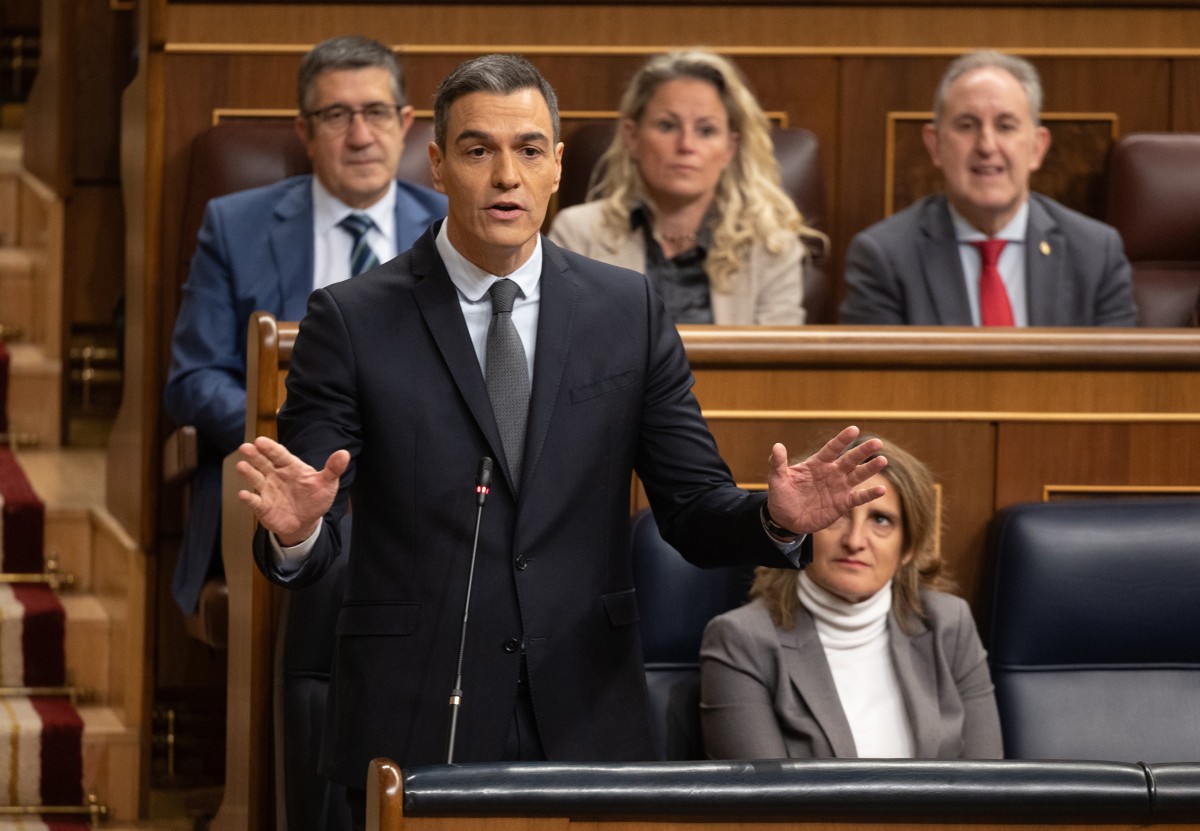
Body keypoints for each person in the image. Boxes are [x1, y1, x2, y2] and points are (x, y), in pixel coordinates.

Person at [233, 53, 888, 826]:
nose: (506, 175)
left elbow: (691, 508)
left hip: (587, 710)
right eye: (478, 150)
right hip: (416, 714)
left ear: (557, 167)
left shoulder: (628, 311)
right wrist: (300, 532)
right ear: (437, 165)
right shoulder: (351, 319)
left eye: (529, 149)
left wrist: (774, 518)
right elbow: (316, 526)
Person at [163, 35, 447, 616]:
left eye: (376, 113)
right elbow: (194, 379)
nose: (360, 136)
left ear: (405, 124)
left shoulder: (451, 229)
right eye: (337, 115)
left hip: (426, 484)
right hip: (279, 478)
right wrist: (296, 442)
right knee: (337, 557)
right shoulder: (236, 226)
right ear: (305, 131)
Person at [699, 436, 1002, 760]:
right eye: (838, 514)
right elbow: (762, 791)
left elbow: (987, 780)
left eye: (881, 520)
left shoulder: (949, 624)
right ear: (804, 528)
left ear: (908, 547)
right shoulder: (742, 639)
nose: (855, 541)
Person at [839, 50, 1136, 327]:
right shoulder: (885, 258)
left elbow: (1116, 367)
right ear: (935, 145)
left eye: (1005, 126)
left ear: (1037, 147)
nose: (986, 146)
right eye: (967, 126)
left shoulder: (1095, 254)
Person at [548, 49, 814, 325]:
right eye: (667, 126)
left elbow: (776, 352)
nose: (686, 145)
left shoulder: (771, 245)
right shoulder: (578, 235)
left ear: (730, 148)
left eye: (706, 130)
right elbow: (562, 341)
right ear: (633, 137)